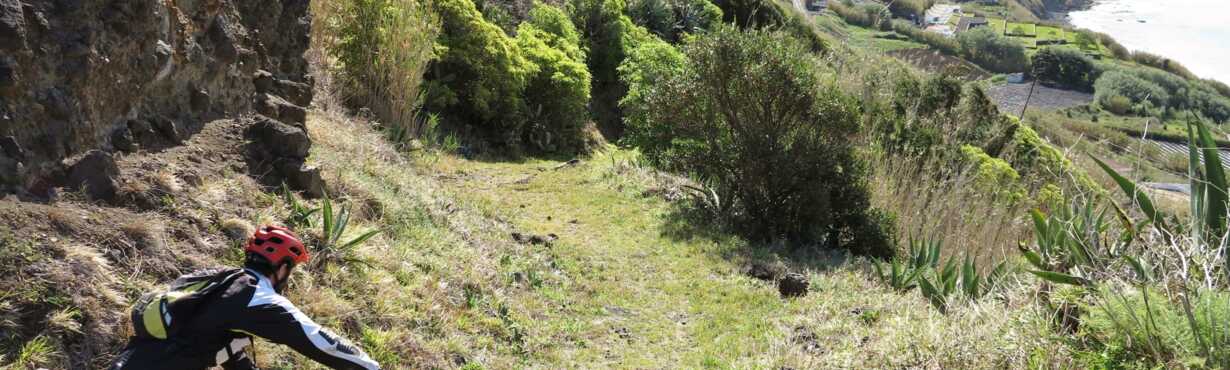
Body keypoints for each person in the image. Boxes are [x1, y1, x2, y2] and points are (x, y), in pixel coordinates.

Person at [110, 225, 381, 370]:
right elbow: (321, 342)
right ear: (283, 267)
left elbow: (221, 347)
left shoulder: (218, 280)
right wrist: (369, 367)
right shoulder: (258, 298)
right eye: (291, 270)